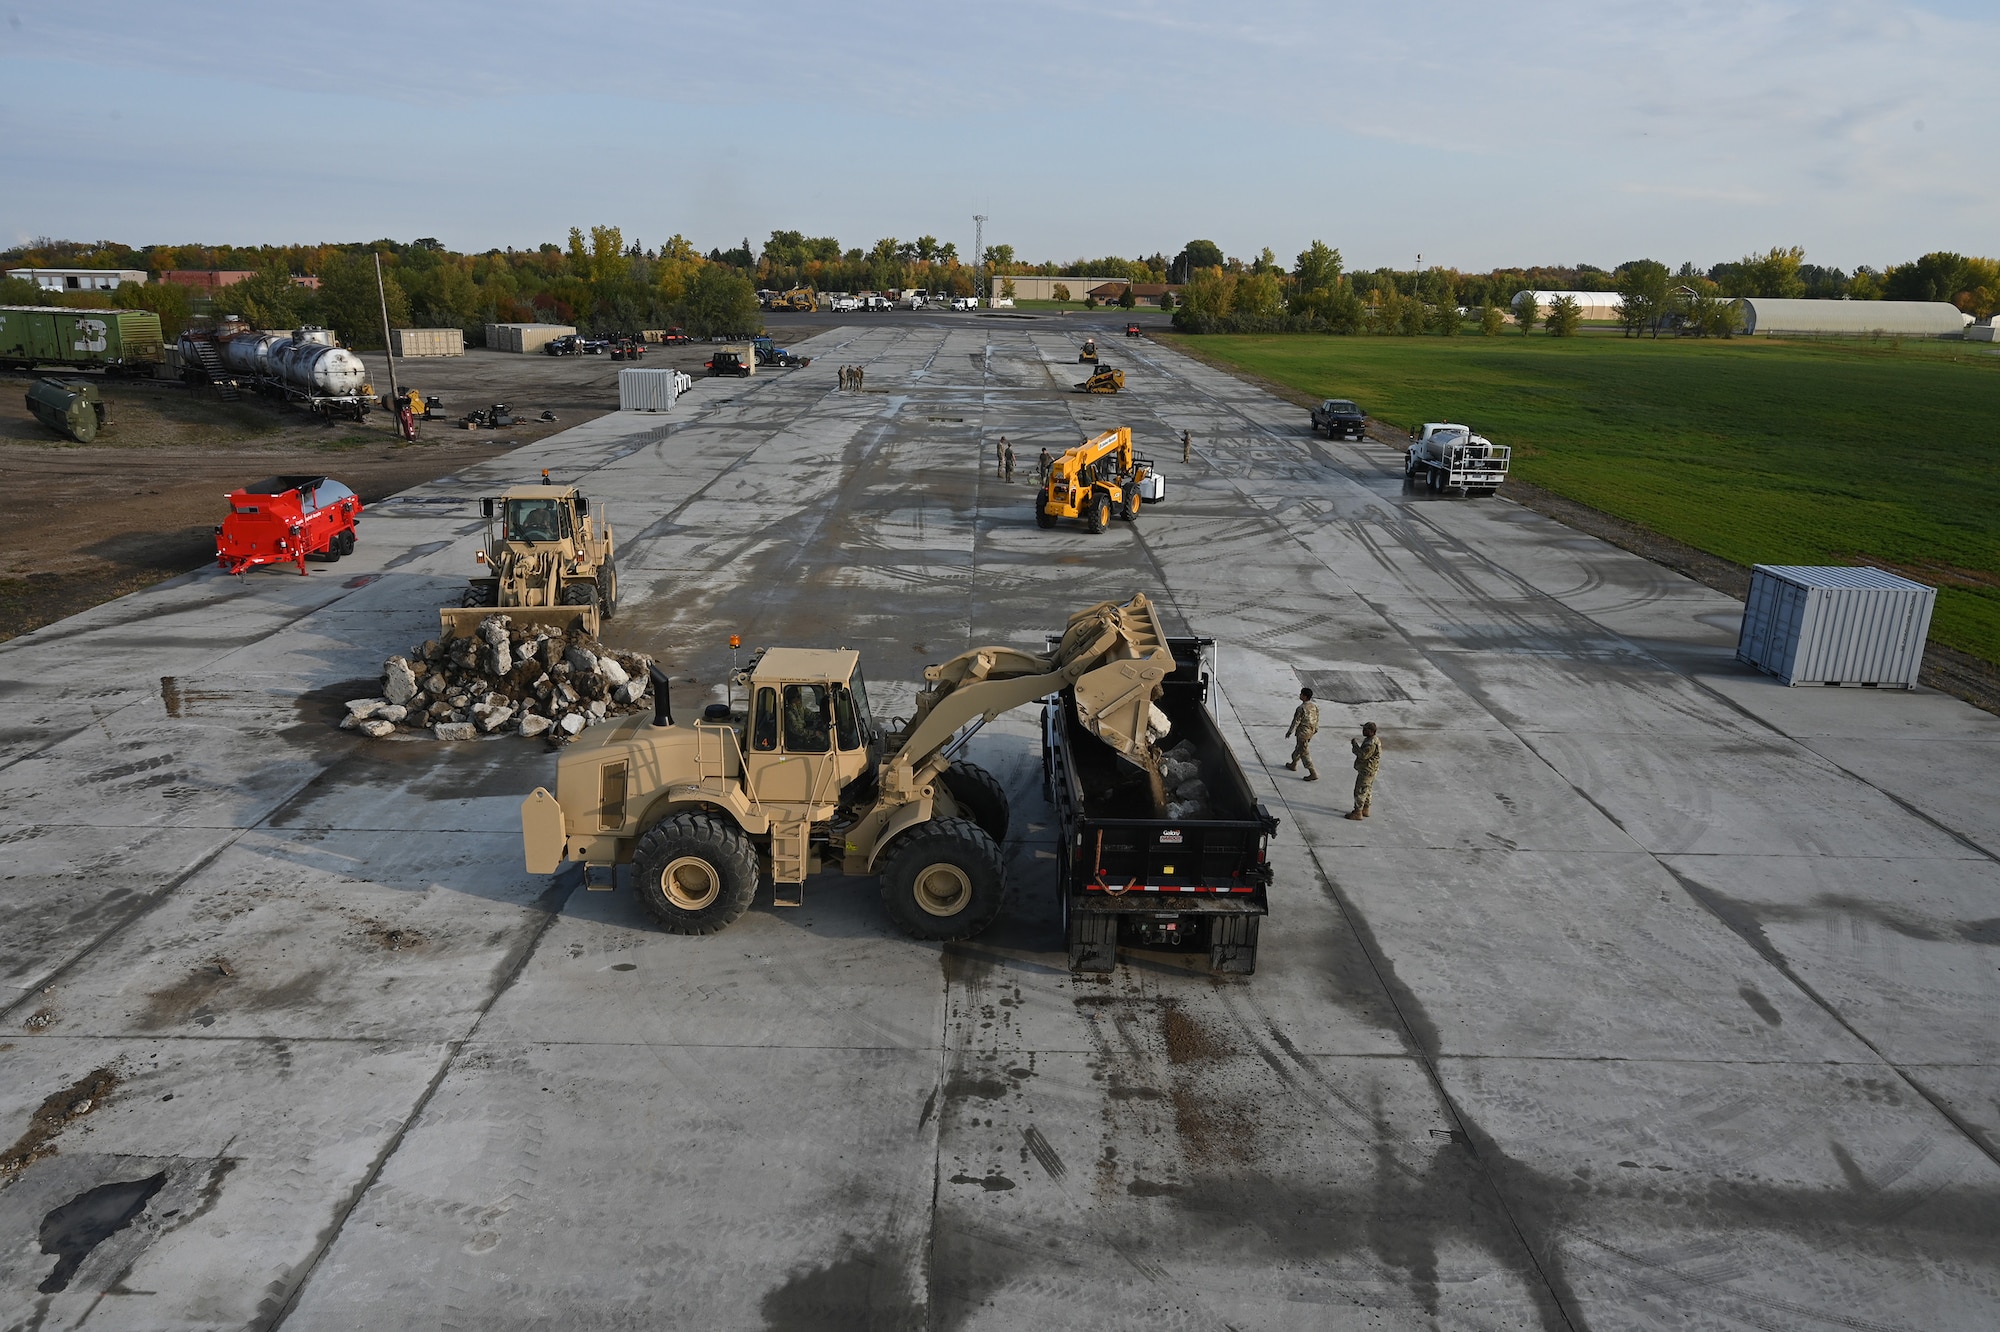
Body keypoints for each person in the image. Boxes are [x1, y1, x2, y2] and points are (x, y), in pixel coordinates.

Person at [1284, 687, 1319, 781]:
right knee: (1300, 748)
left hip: (1303, 733)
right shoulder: (1314, 706)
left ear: (1305, 696)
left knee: (1304, 752)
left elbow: (1296, 721)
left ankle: (1313, 773)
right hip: (1310, 731)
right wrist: (1315, 729)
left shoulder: (1301, 708)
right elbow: (1316, 718)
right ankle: (1293, 764)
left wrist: (1289, 732)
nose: (1300, 695)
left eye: (1301, 694)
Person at [1348, 722, 1382, 819]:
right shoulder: (1373, 740)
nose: (1363, 731)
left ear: (1372, 731)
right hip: (1371, 770)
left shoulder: (1370, 743)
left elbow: (1363, 755)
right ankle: (1365, 809)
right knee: (1367, 790)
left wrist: (1355, 746)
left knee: (1360, 791)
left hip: (1366, 771)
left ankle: (1358, 812)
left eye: (1366, 729)